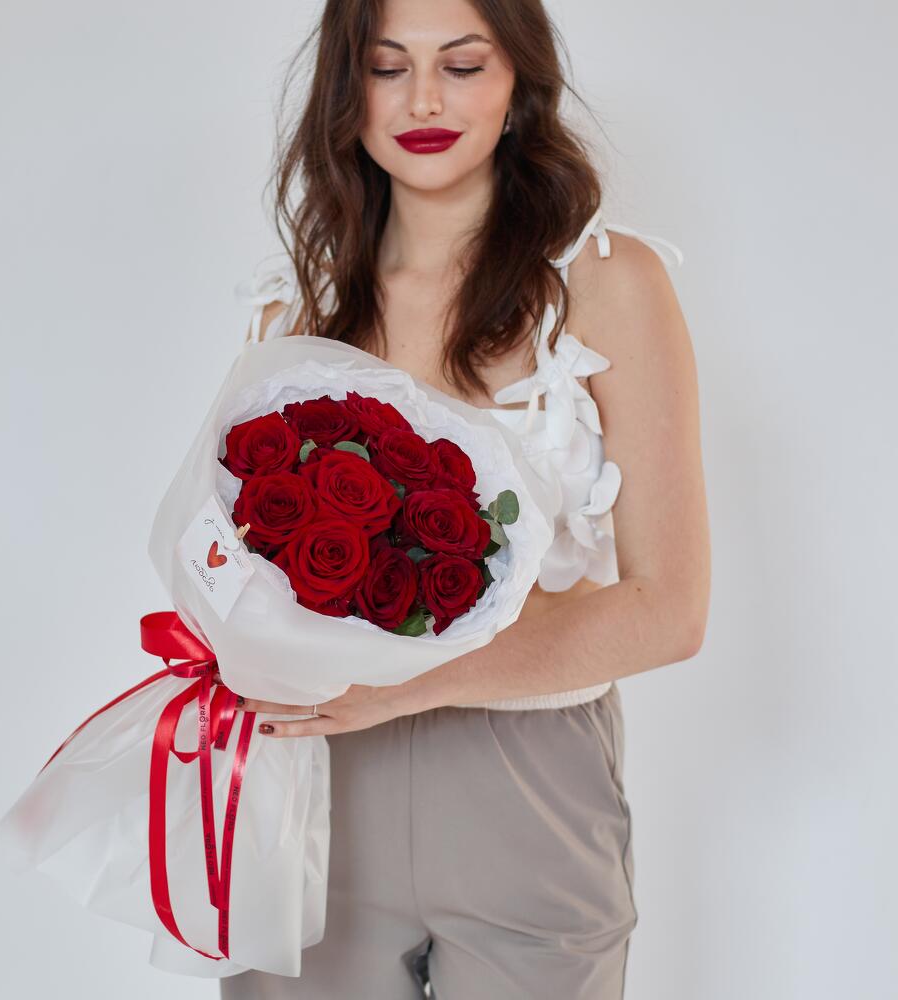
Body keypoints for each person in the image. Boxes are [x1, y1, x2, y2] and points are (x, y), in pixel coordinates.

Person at [219, 1, 710, 997]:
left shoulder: (608, 284)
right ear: (346, 89)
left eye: (462, 64)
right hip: (311, 783)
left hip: (527, 780)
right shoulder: (293, 309)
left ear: (519, 79)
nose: (424, 101)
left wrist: (405, 683)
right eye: (387, 67)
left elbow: (670, 609)